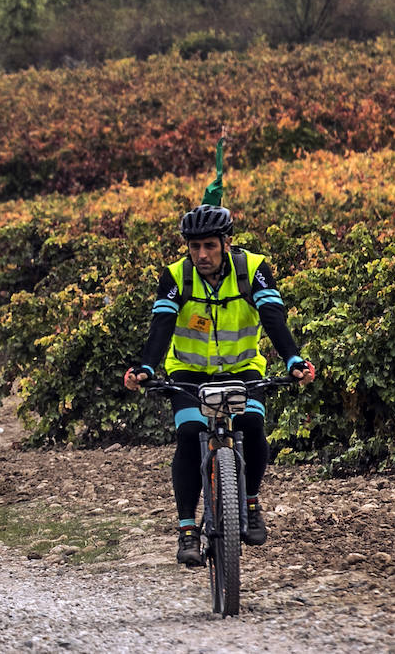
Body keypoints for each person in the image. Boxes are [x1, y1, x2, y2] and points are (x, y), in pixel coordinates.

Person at [124, 204, 315, 566]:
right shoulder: (175, 275)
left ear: (227, 243)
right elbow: (161, 325)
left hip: (243, 368)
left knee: (252, 425)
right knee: (190, 435)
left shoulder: (254, 270)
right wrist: (146, 367)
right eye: (194, 247)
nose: (201, 255)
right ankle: (186, 531)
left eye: (210, 245)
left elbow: (273, 318)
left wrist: (293, 360)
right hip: (188, 372)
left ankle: (251, 503)